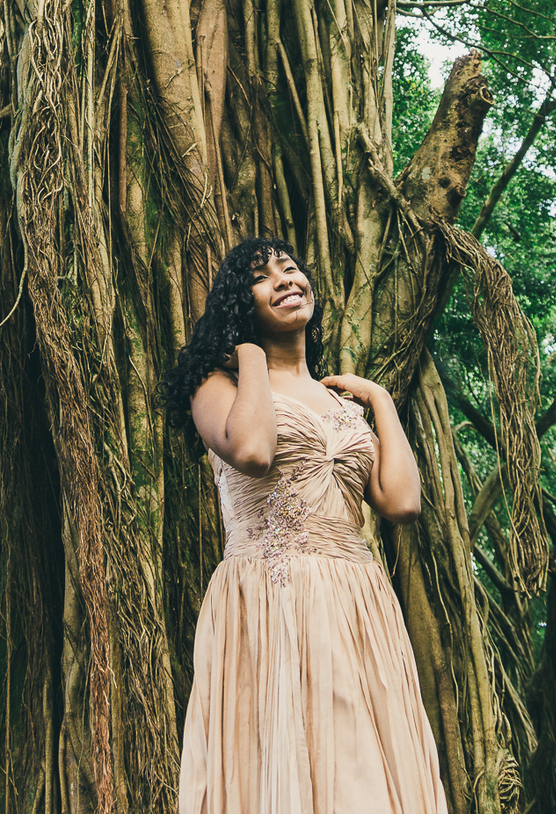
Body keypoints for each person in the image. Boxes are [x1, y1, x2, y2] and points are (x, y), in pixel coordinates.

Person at [166, 236, 448, 814]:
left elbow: (401, 502)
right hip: (271, 595)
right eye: (263, 277)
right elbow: (251, 451)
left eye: (291, 269)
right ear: (239, 305)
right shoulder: (215, 387)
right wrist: (247, 355)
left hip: (357, 599)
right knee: (278, 758)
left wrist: (380, 402)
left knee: (362, 769)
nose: (285, 280)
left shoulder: (343, 404)